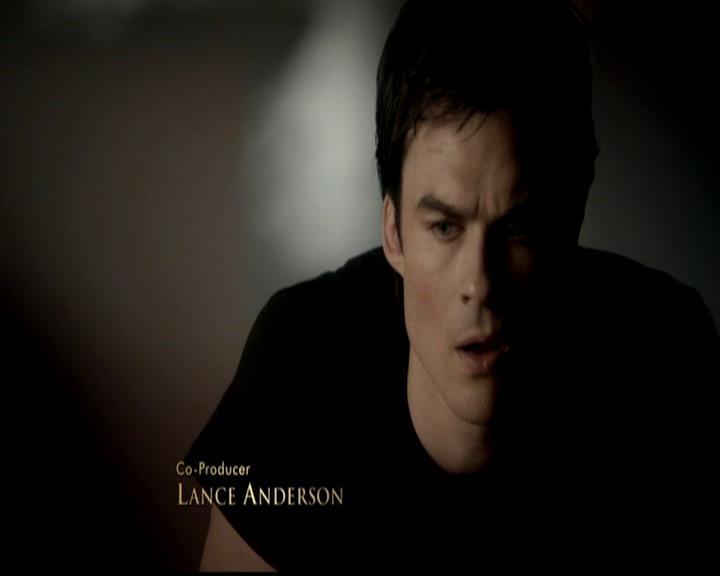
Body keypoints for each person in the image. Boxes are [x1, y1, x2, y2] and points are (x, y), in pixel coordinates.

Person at [185, 0, 718, 570]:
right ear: (393, 232)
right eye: (444, 227)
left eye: (517, 227)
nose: (479, 284)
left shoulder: (666, 353)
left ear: (572, 218)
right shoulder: (299, 359)